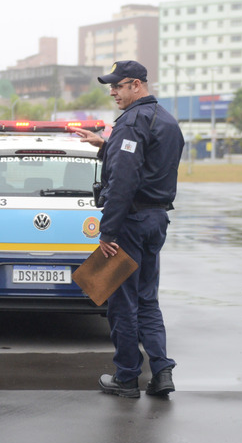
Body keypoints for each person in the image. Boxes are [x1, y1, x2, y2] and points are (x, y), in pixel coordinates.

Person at [71, 61, 184, 399]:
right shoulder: (166, 119)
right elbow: (147, 164)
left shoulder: (131, 122)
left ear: (137, 85)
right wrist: (104, 146)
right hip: (156, 219)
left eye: (118, 86)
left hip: (130, 224)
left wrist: (107, 232)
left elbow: (123, 181)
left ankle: (126, 378)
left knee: (121, 301)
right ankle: (162, 372)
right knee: (147, 299)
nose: (112, 92)